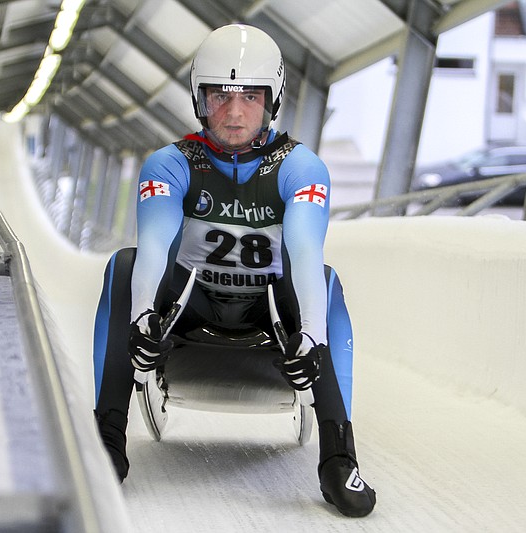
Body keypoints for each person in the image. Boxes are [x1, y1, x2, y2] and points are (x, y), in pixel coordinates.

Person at [92, 23, 376, 518]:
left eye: (250, 96)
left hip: (269, 311)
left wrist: (309, 336)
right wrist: (141, 318)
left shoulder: (300, 167)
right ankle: (108, 439)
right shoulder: (170, 163)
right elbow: (154, 243)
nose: (235, 111)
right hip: (190, 304)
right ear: (200, 100)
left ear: (273, 101)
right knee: (124, 265)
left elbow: (307, 250)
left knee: (327, 282)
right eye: (220, 96)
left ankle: (338, 458)